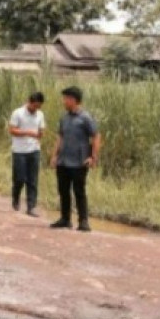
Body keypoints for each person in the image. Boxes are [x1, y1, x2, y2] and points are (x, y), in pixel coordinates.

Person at [49, 86, 101, 232]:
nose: (63, 101)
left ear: (73, 100)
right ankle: (65, 219)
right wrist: (54, 155)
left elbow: (96, 136)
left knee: (79, 191)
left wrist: (93, 157)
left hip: (79, 161)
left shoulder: (85, 118)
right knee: (63, 190)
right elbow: (60, 137)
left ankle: (83, 221)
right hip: (63, 161)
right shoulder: (64, 118)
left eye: (66, 99)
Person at [9, 92, 45, 217]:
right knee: (20, 178)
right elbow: (12, 130)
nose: (36, 109)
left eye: (38, 107)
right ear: (29, 102)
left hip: (34, 150)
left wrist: (40, 134)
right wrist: (28, 133)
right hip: (19, 151)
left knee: (33, 179)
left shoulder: (40, 114)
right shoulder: (18, 113)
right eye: (34, 106)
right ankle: (16, 196)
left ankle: (31, 206)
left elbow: (41, 130)